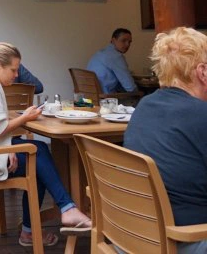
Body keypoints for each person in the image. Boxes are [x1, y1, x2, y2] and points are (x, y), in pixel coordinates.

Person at [0, 43, 91, 247]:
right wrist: (25, 117)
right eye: (13, 70)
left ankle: (45, 221)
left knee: (39, 153)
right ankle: (64, 210)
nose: (16, 75)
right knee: (38, 159)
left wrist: (8, 146)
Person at [124, 27, 207, 253]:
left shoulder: (144, 106)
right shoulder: (201, 115)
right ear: (202, 72)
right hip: (185, 239)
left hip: (136, 234)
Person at [87, 28, 138, 93]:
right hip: (106, 98)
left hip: (91, 96)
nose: (127, 44)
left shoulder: (100, 53)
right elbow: (130, 88)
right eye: (123, 40)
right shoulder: (116, 56)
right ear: (113, 40)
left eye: (129, 42)